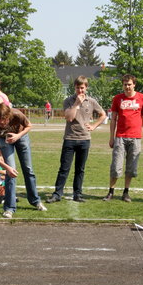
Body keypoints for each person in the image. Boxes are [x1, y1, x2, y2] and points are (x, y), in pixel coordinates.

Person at [47, 76, 106, 204]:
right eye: (78, 88)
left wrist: (94, 125)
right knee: (64, 168)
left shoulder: (91, 101)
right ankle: (57, 194)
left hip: (84, 139)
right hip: (70, 138)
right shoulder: (68, 101)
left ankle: (77, 194)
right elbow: (69, 117)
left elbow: (103, 115)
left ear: (86, 88)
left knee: (80, 169)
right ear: (74, 88)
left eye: (82, 88)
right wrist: (76, 104)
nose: (80, 90)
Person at [0, 103, 47, 218]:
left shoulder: (17, 114)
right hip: (4, 139)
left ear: (9, 116)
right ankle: (9, 208)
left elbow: (29, 126)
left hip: (21, 137)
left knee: (28, 169)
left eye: (4, 119)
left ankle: (36, 201)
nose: (2, 122)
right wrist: (7, 168)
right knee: (10, 173)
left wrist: (18, 136)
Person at [102, 74, 143, 203]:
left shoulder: (142, 98)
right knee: (116, 166)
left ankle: (126, 192)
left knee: (131, 167)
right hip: (120, 137)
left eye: (129, 84)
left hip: (135, 137)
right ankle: (111, 191)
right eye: (125, 84)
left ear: (134, 84)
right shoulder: (117, 99)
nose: (127, 87)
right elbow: (113, 120)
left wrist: (140, 128)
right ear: (122, 85)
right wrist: (111, 137)